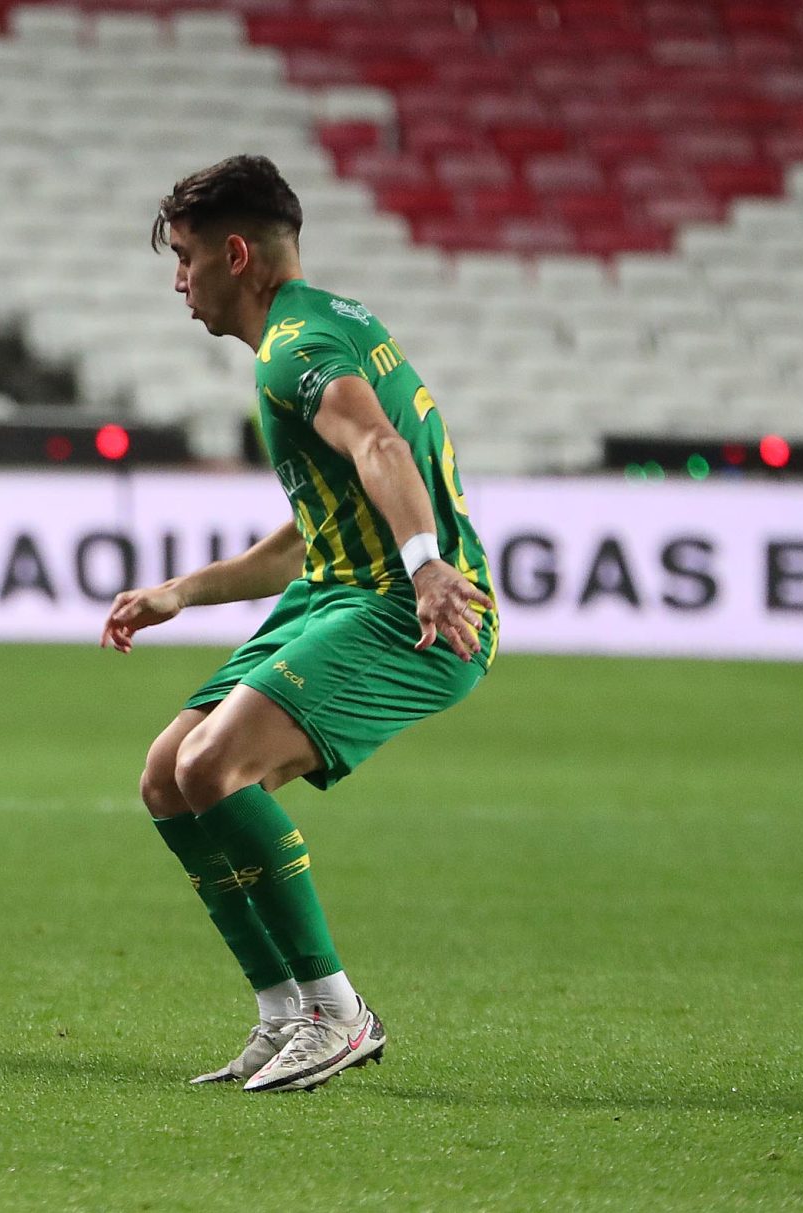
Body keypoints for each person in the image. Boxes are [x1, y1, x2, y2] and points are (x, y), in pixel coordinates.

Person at [102, 155, 498, 1092]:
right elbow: (311, 528)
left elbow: (379, 443)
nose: (178, 280)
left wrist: (426, 566)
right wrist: (181, 593)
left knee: (215, 766)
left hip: (406, 608)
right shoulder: (330, 323)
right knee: (168, 773)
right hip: (335, 588)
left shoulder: (295, 350)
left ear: (236, 254)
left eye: (188, 257)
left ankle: (339, 1009)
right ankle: (285, 1011)